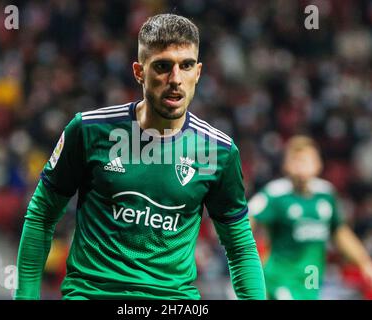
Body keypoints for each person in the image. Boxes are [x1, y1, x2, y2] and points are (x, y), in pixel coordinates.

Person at [14, 13, 266, 300]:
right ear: (139, 72)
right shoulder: (88, 130)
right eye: (162, 66)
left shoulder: (219, 151)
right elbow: (41, 216)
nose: (175, 79)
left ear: (197, 73)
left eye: (185, 66)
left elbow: (240, 247)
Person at [248, 135, 372, 300]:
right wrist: (244, 256)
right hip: (280, 278)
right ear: (286, 165)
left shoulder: (326, 195)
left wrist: (365, 263)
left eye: (306, 160)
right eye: (296, 160)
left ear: (318, 164)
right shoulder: (275, 194)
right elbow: (246, 219)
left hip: (310, 280)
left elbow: (340, 233)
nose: (301, 166)